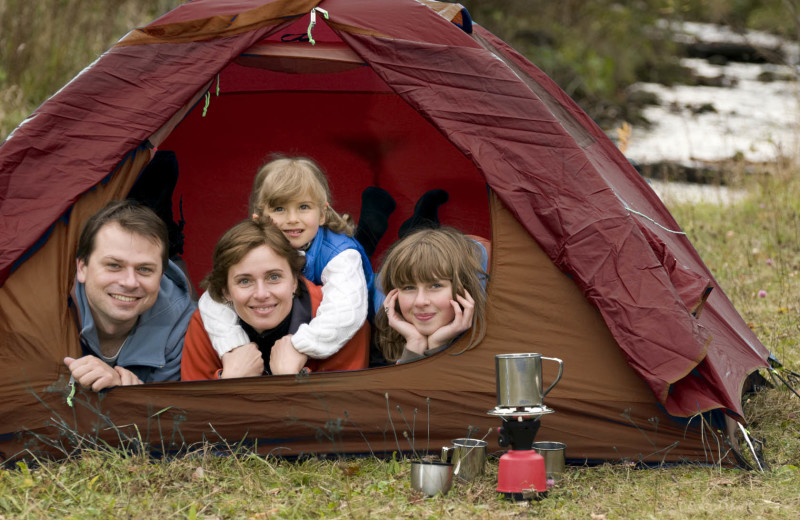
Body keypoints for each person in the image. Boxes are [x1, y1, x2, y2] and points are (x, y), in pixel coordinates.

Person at [197, 155, 374, 366]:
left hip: (361, 325)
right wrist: (234, 347)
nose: (292, 218)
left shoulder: (340, 255)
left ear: (322, 214)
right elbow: (214, 297)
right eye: (279, 209)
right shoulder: (255, 246)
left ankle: (373, 222)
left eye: (304, 207)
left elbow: (345, 313)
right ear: (260, 217)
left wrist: (298, 346)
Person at [181, 217, 369, 380]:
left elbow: (345, 413)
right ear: (226, 291)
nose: (261, 294)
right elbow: (190, 415)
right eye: (245, 281)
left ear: (295, 280)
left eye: (274, 277)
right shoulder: (204, 324)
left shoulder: (340, 321)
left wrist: (293, 379)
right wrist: (229, 380)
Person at [64, 200, 196, 391]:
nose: (130, 282)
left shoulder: (183, 327)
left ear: (161, 276)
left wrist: (132, 394)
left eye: (144, 269)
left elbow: (173, 411)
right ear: (82, 268)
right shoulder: (51, 306)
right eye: (114, 265)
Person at [375, 227, 488, 364]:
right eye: (409, 287)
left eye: (435, 286)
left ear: (463, 290)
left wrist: (438, 345)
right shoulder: (381, 342)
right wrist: (414, 345)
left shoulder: (491, 346)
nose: (420, 301)